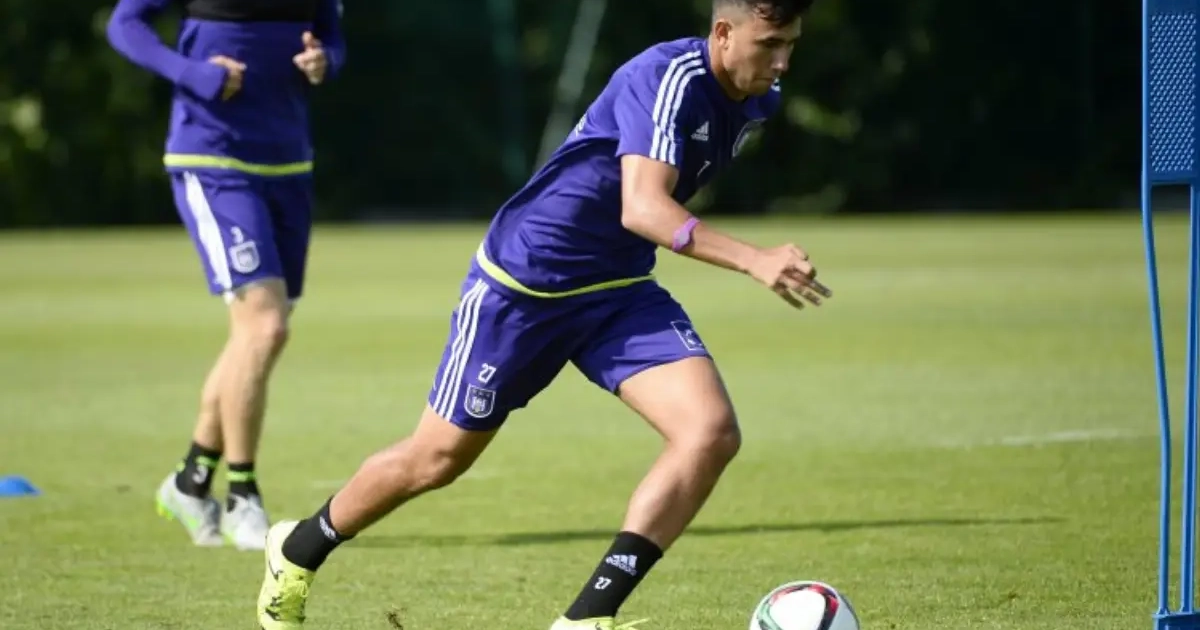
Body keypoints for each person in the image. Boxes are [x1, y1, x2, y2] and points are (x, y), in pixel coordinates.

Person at [256, 0, 826, 627]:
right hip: (523, 287)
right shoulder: (666, 78)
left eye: (791, 44)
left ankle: (587, 618)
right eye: (769, 44)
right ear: (722, 32)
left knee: (710, 433)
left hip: (617, 291)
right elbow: (643, 207)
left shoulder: (757, 100)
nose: (782, 62)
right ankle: (298, 549)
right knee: (437, 459)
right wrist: (753, 259)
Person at [105, 0, 346, 551]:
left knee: (254, 337)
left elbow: (331, 35)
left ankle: (190, 483)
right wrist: (194, 74)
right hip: (214, 159)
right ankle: (243, 497)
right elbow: (125, 23)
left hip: (288, 162)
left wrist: (325, 61)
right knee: (266, 327)